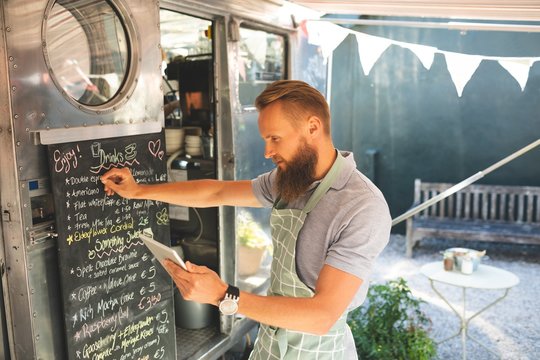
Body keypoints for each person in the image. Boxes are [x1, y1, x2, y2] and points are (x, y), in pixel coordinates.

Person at [101, 80, 391, 359]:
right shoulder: (290, 180)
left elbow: (321, 316)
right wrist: (139, 191)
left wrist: (224, 296)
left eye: (275, 138)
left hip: (319, 350)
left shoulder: (362, 206)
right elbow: (217, 191)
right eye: (266, 140)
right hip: (271, 343)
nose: (267, 152)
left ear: (313, 127)